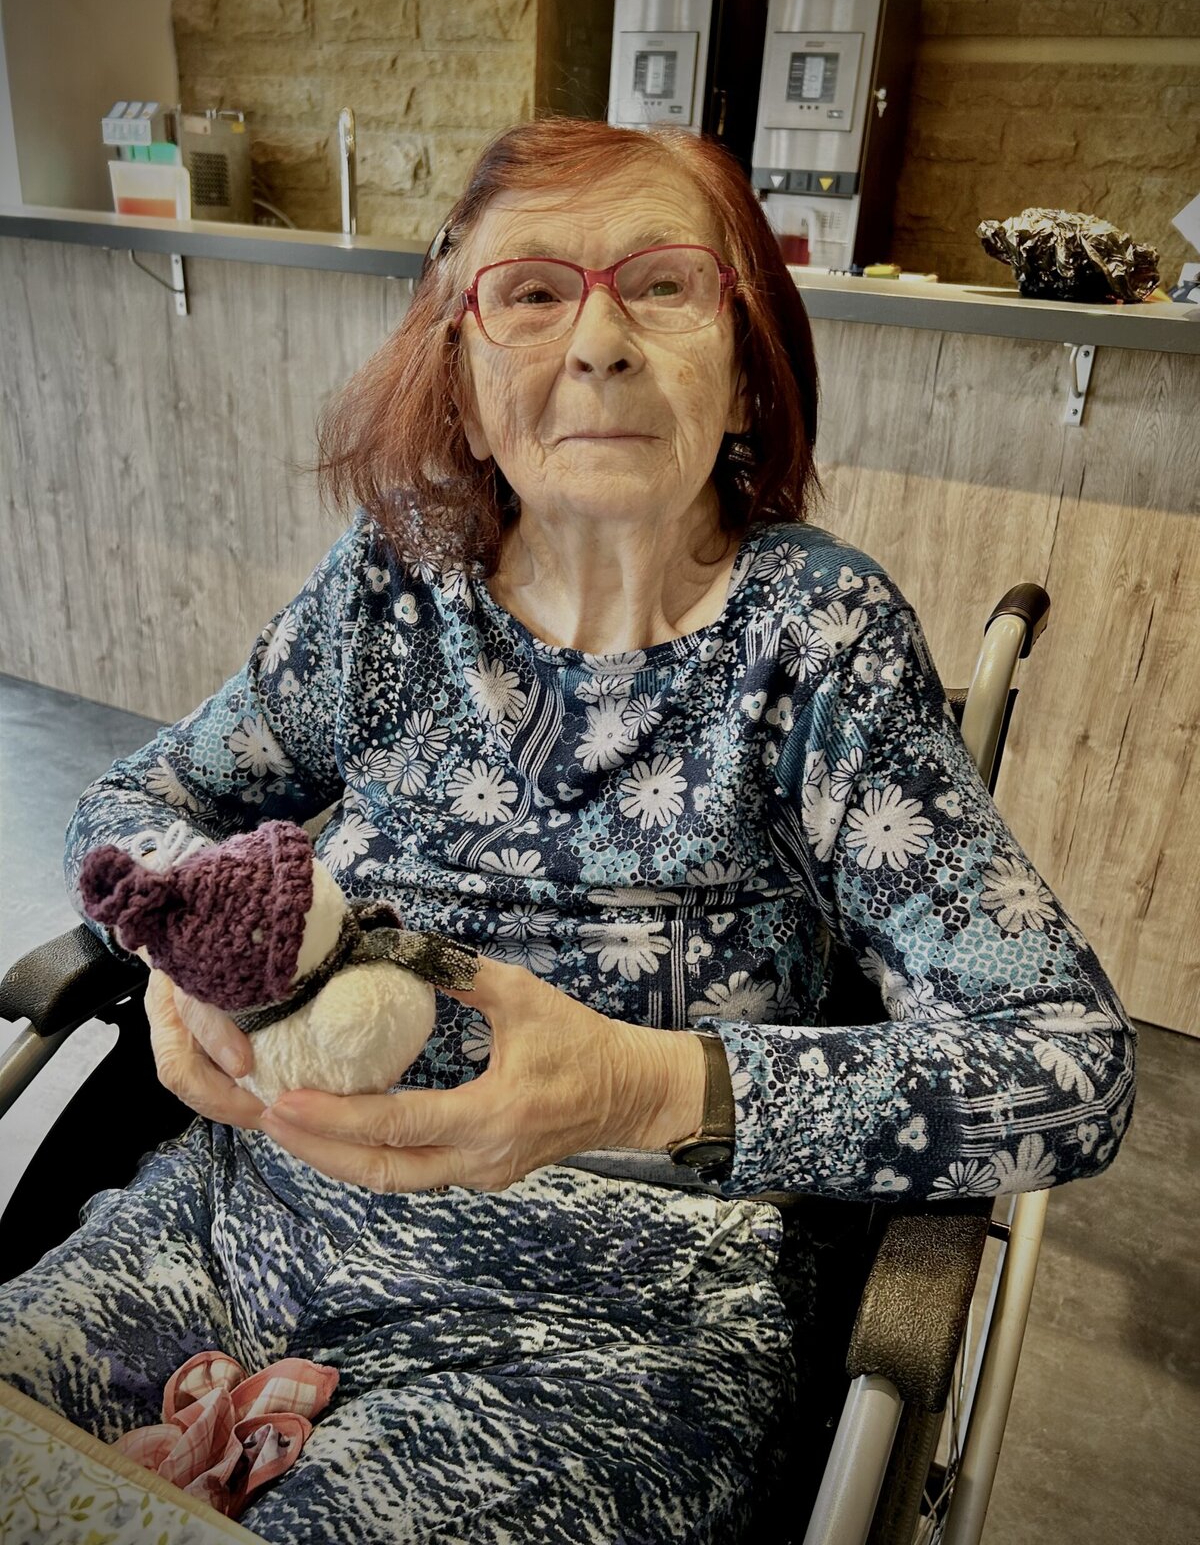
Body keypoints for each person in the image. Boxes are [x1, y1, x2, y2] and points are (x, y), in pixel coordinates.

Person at [0, 117, 1135, 1543]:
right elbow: (139, 806)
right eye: (532, 292)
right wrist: (183, 945)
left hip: (615, 1318)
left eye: (662, 285)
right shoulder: (394, 591)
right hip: (248, 1211)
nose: (598, 341)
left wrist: (640, 1089)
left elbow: (1068, 1066)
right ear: (468, 390)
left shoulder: (818, 643)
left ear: (746, 370)